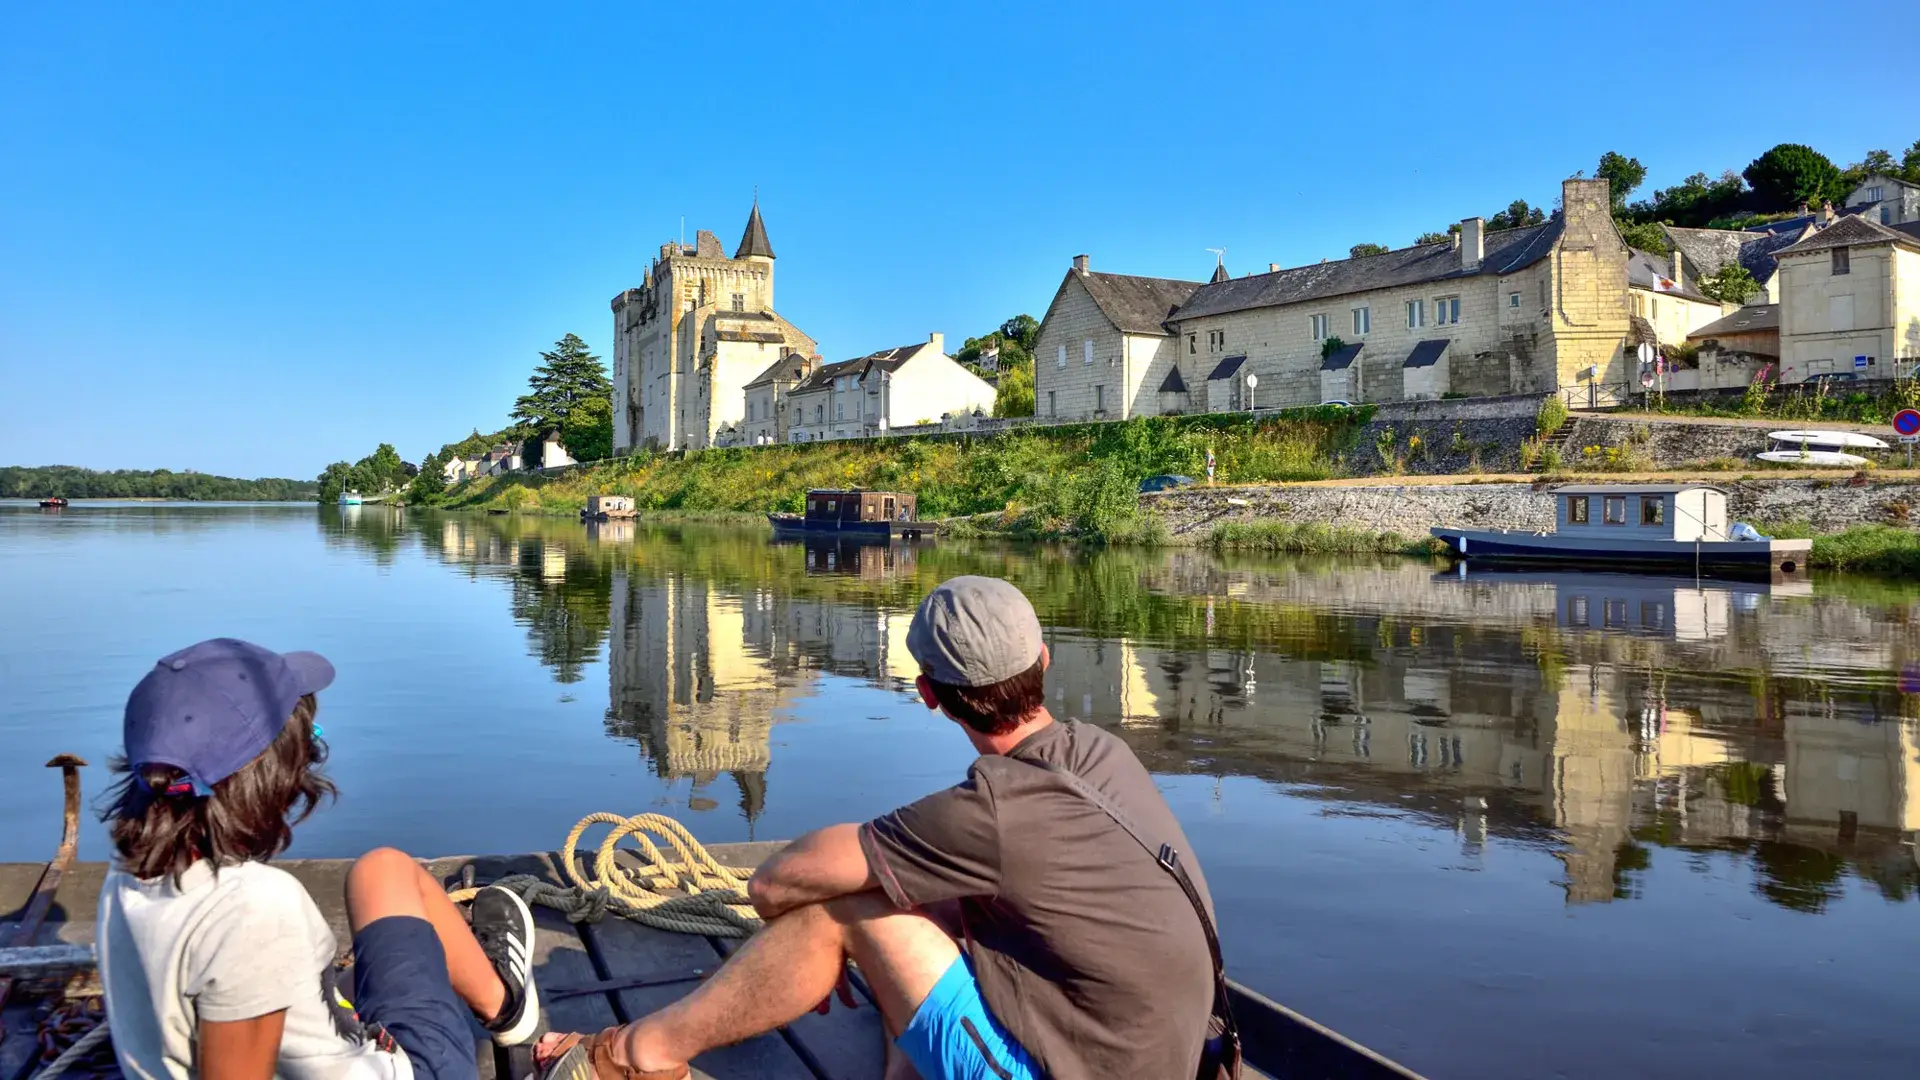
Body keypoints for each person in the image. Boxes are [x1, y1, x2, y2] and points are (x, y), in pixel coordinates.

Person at [536, 576, 1217, 1080]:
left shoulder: (991, 810)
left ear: (928, 696)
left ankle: (632, 1056)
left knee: (845, 913)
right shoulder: (1103, 752)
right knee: (910, 895)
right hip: (1167, 1055)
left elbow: (777, 882)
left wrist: (810, 932)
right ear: (1042, 661)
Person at [97, 638, 542, 1080]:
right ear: (276, 770)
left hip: (325, 1043)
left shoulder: (125, 878)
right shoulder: (254, 908)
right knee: (392, 879)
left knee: (383, 870)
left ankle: (504, 1007)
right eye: (307, 739)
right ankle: (504, 1008)